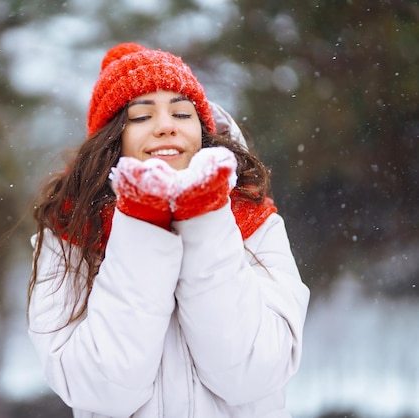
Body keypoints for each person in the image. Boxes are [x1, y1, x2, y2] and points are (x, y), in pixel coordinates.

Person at [27, 42, 310, 418]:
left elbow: (251, 374)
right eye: (141, 117)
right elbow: (99, 389)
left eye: (181, 112)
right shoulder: (69, 234)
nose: (165, 126)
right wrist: (142, 219)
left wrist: (205, 216)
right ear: (112, 140)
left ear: (202, 129)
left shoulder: (257, 222)